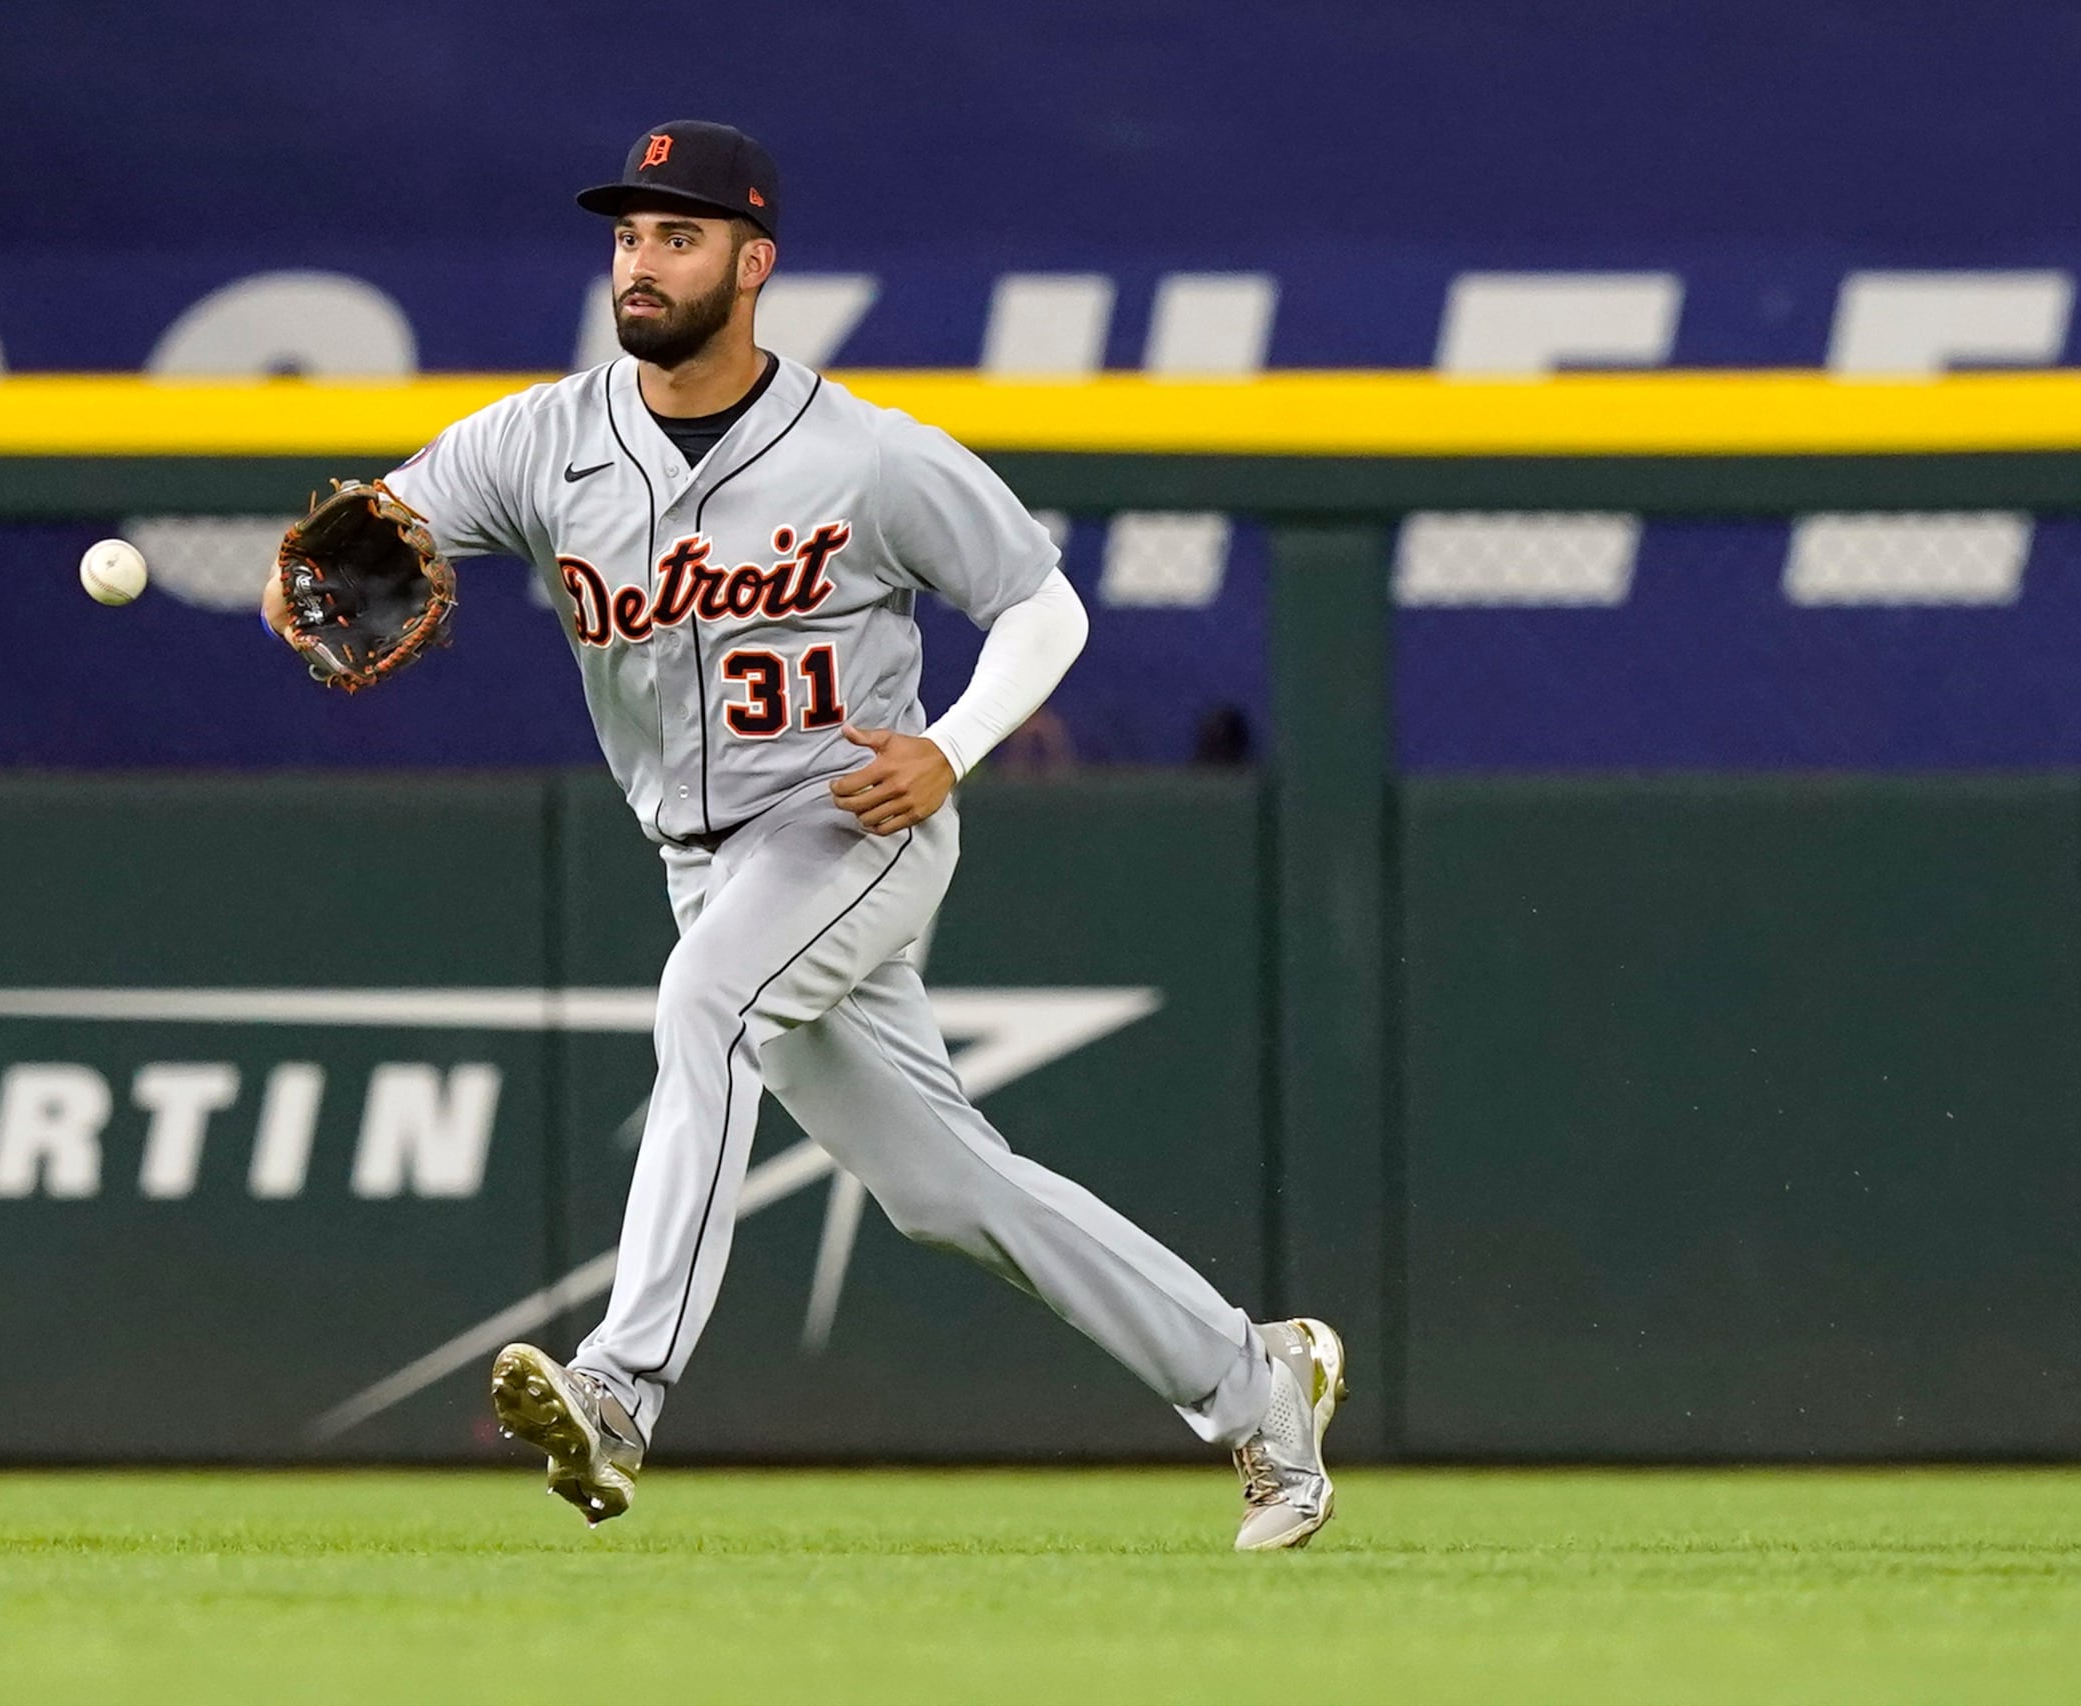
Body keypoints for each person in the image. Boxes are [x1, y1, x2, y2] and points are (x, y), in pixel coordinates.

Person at [265, 120, 1344, 1551]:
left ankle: (622, 1385)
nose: (642, 262)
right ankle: (1256, 1379)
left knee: (705, 1005)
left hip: (851, 825)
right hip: (701, 859)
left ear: (753, 263)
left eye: (679, 235)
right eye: (629, 236)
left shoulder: (864, 456)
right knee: (947, 1186)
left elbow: (1044, 605)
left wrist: (950, 749)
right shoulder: (543, 439)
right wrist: (314, 581)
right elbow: (383, 526)